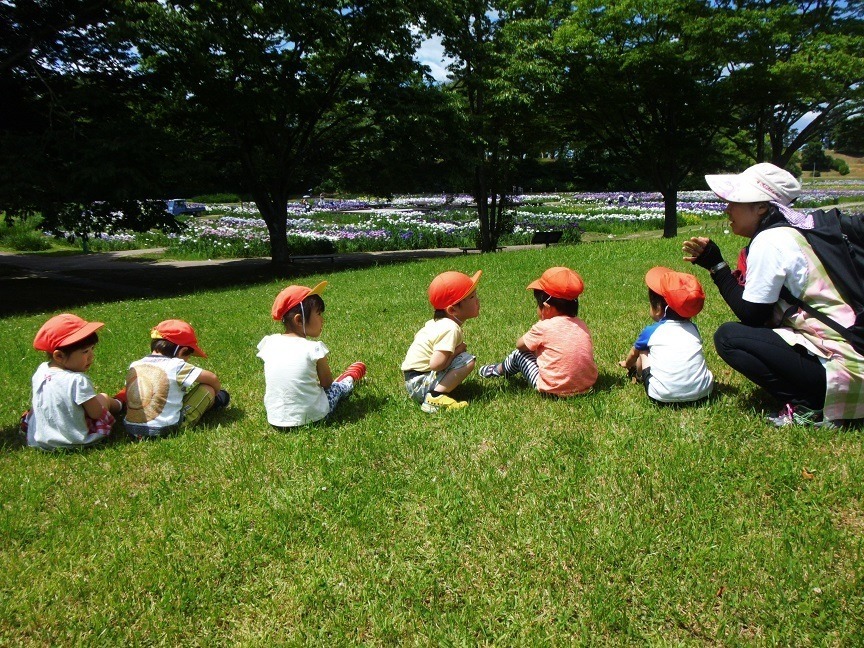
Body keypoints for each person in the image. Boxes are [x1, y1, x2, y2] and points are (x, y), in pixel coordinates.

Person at [683, 162, 864, 426]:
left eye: (735, 200)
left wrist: (717, 267)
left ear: (762, 207)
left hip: (846, 369)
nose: (727, 208)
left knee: (729, 338)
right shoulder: (797, 229)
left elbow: (753, 315)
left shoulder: (770, 241)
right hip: (853, 352)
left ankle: (810, 405)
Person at [257, 282, 366, 429]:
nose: (322, 320)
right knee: (336, 388)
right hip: (313, 417)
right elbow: (326, 384)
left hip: (276, 420)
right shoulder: (313, 349)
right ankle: (349, 378)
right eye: (318, 314)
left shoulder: (269, 343)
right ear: (299, 320)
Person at [479, 267, 598, 396]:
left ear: (546, 308)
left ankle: (498, 369)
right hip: (586, 386)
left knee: (519, 354)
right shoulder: (581, 325)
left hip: (553, 389)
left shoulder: (544, 327)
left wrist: (538, 328)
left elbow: (520, 345)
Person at [23, 313, 123, 450]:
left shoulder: (40, 371)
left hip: (41, 440)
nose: (91, 356)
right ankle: (120, 402)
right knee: (103, 397)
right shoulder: (77, 380)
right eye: (85, 351)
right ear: (59, 356)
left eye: (92, 349)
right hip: (75, 440)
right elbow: (96, 413)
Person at [619, 267, 714, 404]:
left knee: (643, 350)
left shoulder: (651, 331)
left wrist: (626, 364)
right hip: (704, 392)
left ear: (658, 308)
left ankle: (638, 376)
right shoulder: (693, 328)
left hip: (661, 395)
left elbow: (634, 353)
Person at [124, 319, 229, 438]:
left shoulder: (135, 365)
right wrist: (216, 393)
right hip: (167, 430)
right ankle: (216, 401)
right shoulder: (176, 365)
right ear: (183, 351)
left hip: (132, 429)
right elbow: (212, 378)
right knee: (207, 388)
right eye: (189, 356)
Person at [402, 270, 481, 413]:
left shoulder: (438, 324)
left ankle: (437, 391)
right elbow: (436, 364)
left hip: (414, 380)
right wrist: (458, 350)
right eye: (472, 297)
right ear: (452, 310)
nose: (477, 300)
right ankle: (435, 397)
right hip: (419, 383)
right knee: (467, 360)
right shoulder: (450, 328)